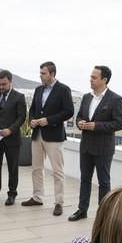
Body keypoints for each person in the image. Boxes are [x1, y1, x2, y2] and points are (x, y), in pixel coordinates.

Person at [69, 66, 122, 222]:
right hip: (86, 146)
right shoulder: (87, 97)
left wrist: (96, 126)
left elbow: (120, 123)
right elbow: (79, 116)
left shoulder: (115, 99)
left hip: (103, 148)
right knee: (85, 179)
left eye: (94, 77)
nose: (91, 80)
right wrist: (80, 122)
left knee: (104, 182)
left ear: (104, 80)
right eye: (91, 77)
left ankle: (104, 215)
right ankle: (82, 210)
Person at [22, 61, 74, 216]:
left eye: (43, 73)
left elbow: (69, 111)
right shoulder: (38, 90)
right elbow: (32, 110)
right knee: (36, 168)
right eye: (40, 73)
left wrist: (49, 120)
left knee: (58, 171)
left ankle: (59, 202)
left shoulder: (64, 90)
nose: (41, 76)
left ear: (52, 74)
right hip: (37, 134)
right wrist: (31, 120)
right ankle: (37, 197)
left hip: (54, 136)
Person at [0, 70, 27, 206]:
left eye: (4, 84)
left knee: (12, 168)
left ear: (10, 82)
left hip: (12, 139)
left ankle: (12, 193)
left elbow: (21, 117)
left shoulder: (19, 97)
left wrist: (10, 130)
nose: (1, 87)